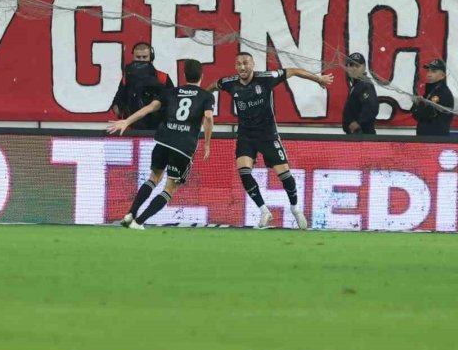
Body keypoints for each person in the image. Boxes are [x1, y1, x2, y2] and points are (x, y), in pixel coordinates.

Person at [206, 51, 333, 230]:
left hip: (267, 135)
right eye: (239, 64)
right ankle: (264, 211)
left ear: (253, 65)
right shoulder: (229, 83)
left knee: (285, 176)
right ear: (235, 67)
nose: (242, 67)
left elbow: (294, 71)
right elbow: (213, 86)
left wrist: (318, 79)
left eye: (246, 63)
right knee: (244, 172)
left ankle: (295, 208)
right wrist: (201, 98)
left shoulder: (266, 78)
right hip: (246, 135)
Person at [107, 58, 214, 230]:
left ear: (184, 75)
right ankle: (139, 222)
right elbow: (208, 117)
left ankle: (131, 213)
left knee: (153, 178)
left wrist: (126, 121)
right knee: (169, 189)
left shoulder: (171, 92)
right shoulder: (206, 96)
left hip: (163, 140)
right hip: (183, 146)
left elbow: (149, 108)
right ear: (202, 75)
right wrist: (207, 143)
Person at [111, 42, 171, 129]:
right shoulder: (126, 78)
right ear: (133, 57)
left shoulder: (163, 78)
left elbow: (172, 102)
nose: (141, 60)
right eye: (138, 57)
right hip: (133, 129)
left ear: (151, 58)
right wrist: (121, 109)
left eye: (144, 57)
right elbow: (117, 102)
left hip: (157, 130)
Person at [411, 58, 454, 137]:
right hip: (425, 138)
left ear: (442, 75)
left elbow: (424, 114)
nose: (429, 74)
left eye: (433, 72)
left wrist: (419, 104)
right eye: (428, 71)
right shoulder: (431, 91)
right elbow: (415, 115)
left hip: (435, 140)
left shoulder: (442, 93)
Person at [341, 53, 379, 135]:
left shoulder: (365, 84)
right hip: (356, 136)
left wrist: (358, 122)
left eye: (357, 65)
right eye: (351, 65)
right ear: (347, 67)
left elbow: (372, 106)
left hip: (364, 136)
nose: (354, 68)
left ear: (364, 68)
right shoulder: (356, 85)